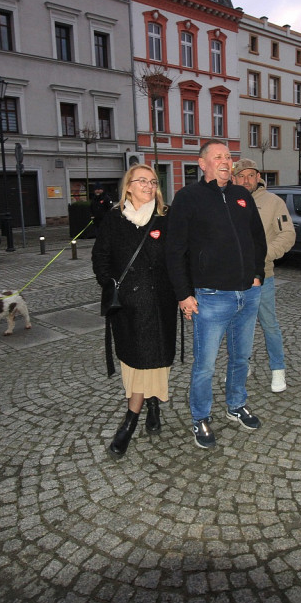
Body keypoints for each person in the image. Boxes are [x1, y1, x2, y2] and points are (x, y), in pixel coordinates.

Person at [165, 141, 268, 449]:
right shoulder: (188, 198)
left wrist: (257, 274)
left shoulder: (241, 196)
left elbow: (257, 239)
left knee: (241, 357)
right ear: (203, 164)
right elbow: (174, 250)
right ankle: (200, 417)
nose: (226, 161)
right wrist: (184, 294)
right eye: (219, 157)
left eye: (228, 156)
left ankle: (236, 404)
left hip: (246, 294)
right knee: (205, 365)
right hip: (210, 296)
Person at [92, 164, 177, 457]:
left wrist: (184, 294)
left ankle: (149, 407)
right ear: (128, 186)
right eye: (142, 181)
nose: (149, 185)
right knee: (135, 362)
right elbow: (99, 258)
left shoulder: (166, 218)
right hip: (127, 308)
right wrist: (112, 284)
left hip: (159, 305)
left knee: (156, 359)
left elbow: (178, 259)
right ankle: (132, 419)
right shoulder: (114, 219)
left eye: (153, 181)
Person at [231, 159, 295, 393]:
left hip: (263, 276)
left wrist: (263, 255)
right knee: (237, 325)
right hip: (232, 278)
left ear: (258, 177)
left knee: (269, 324)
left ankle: (278, 370)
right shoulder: (226, 200)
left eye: (251, 175)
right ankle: (242, 363)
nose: (246, 180)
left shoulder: (273, 202)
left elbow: (287, 235)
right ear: (234, 178)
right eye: (241, 175)